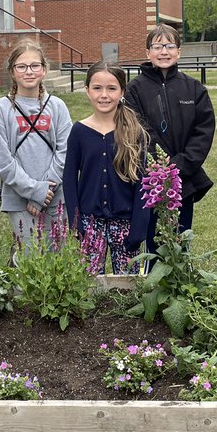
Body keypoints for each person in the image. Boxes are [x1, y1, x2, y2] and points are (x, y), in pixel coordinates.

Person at [124, 24, 215, 236]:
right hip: (149, 181)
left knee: (181, 242)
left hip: (183, 181)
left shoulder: (194, 89)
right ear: (148, 52)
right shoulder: (134, 89)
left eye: (170, 46)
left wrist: (177, 168)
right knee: (154, 242)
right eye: (157, 46)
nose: (164, 52)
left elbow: (204, 131)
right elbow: (137, 131)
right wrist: (159, 170)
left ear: (179, 52)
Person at [63, 61, 151, 274]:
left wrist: (139, 227)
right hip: (90, 222)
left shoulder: (133, 132)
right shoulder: (79, 131)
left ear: (122, 91)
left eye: (111, 88)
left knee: (129, 286)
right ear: (87, 91)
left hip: (125, 222)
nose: (104, 95)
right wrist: (76, 223)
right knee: (90, 286)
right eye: (97, 88)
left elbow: (142, 183)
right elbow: (69, 178)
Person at [0, 41, 71, 249]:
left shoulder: (57, 106)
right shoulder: (0, 109)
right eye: (21, 66)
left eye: (35, 66)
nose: (29, 72)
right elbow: (2, 160)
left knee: (58, 259)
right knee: (30, 258)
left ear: (44, 70)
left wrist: (44, 192)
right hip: (18, 197)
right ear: (12, 72)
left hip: (55, 196)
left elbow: (65, 152)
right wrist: (33, 191)